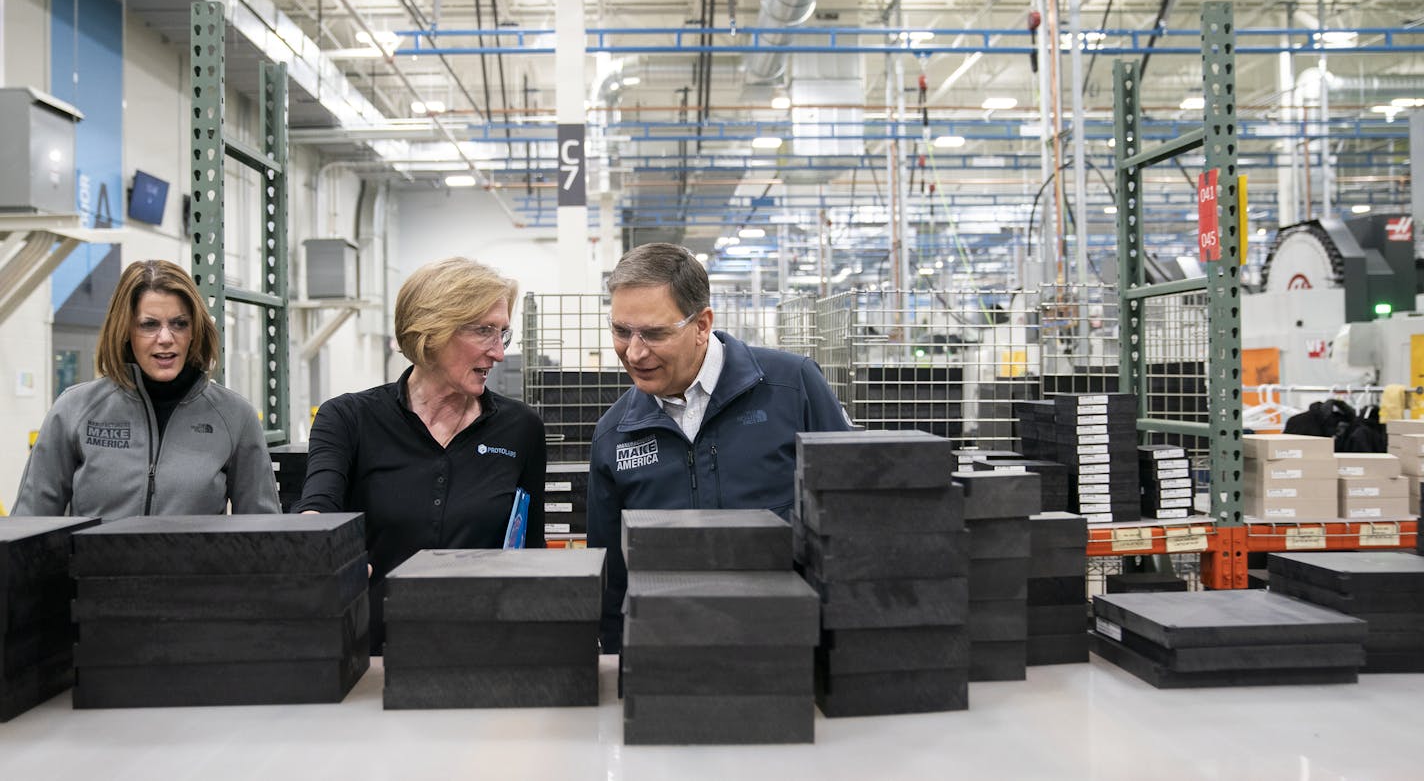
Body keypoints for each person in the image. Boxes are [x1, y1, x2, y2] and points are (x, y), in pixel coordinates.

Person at [587, 243, 853, 652]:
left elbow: (851, 516)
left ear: (702, 324)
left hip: (793, 647)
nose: (634, 352)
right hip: (673, 654)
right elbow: (611, 579)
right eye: (621, 331)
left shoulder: (792, 387)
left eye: (655, 333)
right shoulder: (614, 435)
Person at [295, 257, 546, 651]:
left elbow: (531, 552)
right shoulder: (348, 419)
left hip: (486, 653)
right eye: (484, 332)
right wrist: (321, 550)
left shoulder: (521, 429)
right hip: (373, 656)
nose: (499, 353)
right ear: (433, 330)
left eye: (503, 334)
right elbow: (319, 506)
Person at [13, 259, 279, 518]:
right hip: (94, 565)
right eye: (149, 325)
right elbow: (28, 524)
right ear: (125, 330)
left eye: (179, 324)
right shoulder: (75, 409)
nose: (165, 338)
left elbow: (264, 537)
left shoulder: (235, 416)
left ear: (194, 331)